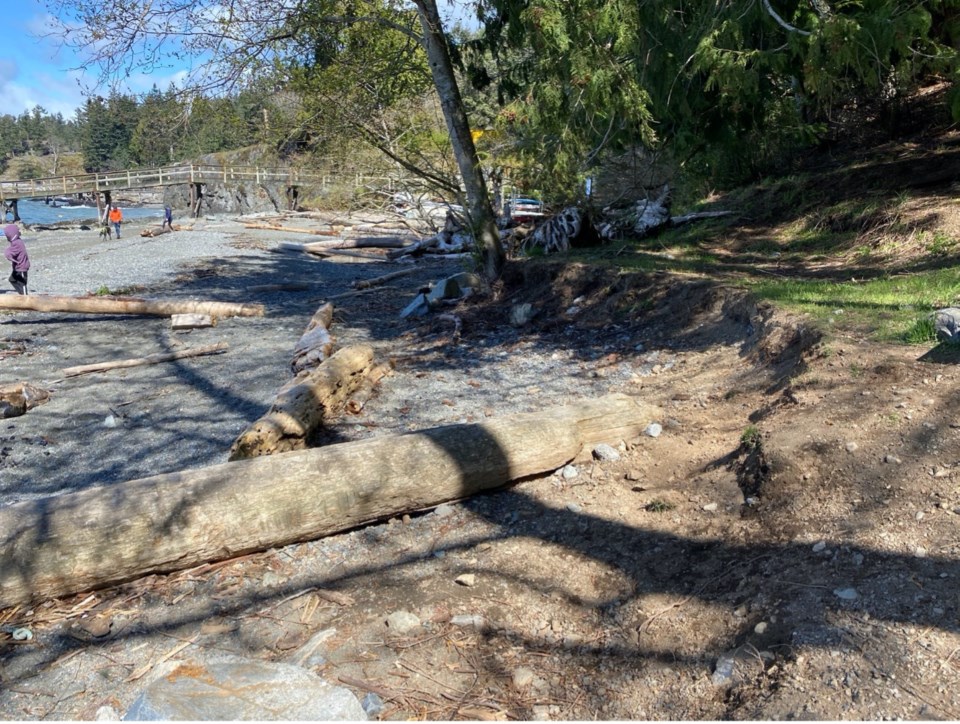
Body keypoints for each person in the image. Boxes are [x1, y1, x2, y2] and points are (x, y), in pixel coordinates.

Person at [4, 224, 30, 295]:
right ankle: (21, 294)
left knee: (22, 283)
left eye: (7, 236)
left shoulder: (17, 243)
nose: (7, 238)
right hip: (17, 267)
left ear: (11, 235)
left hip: (22, 267)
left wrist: (7, 253)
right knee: (12, 279)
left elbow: (11, 252)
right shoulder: (15, 241)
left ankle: (25, 297)